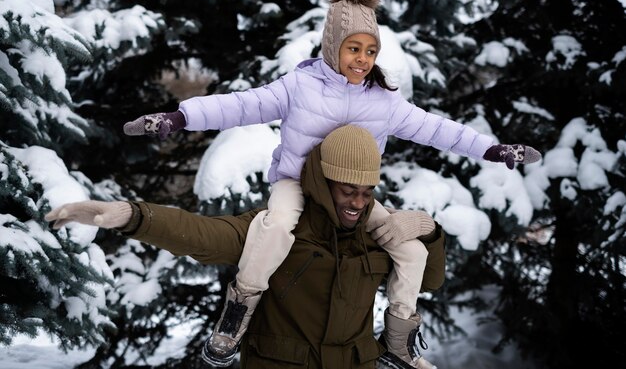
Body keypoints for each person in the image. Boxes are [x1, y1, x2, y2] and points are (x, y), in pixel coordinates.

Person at [122, 0, 542, 368]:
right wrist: (180, 117)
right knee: (275, 228)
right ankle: (238, 313)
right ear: (332, 46)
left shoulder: (384, 101)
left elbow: (437, 129)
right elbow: (241, 104)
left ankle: (398, 340)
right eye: (353, 48)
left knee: (411, 250)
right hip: (295, 184)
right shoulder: (298, 87)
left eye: (370, 51)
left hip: (353, 194)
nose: (362, 60)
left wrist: (492, 149)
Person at [45, 125, 447, 369]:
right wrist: (133, 216)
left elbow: (427, 280)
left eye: (366, 192)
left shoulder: (374, 230)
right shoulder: (275, 227)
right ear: (325, 182)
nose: (358, 202)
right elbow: (204, 236)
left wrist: (428, 231)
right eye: (348, 191)